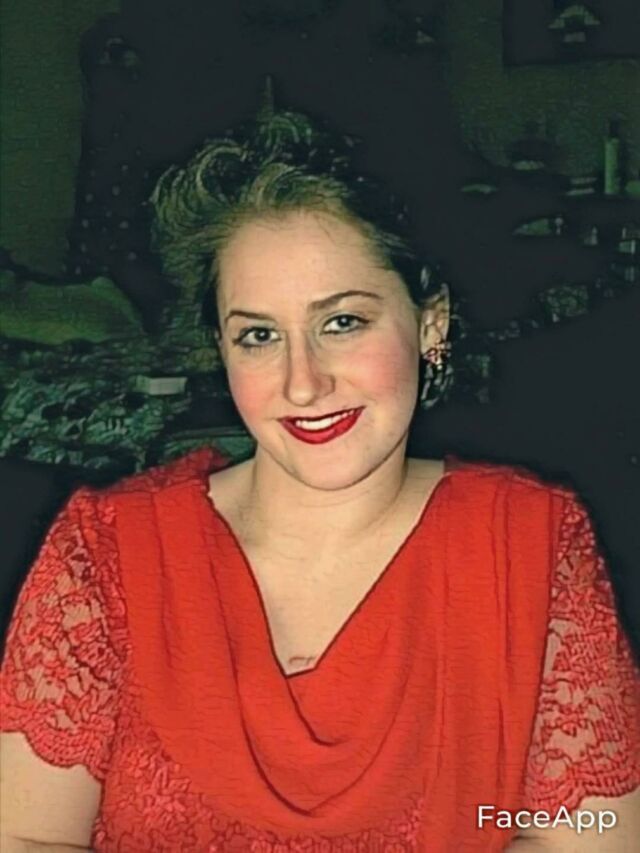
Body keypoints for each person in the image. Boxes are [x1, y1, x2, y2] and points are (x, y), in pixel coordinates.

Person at [1, 102, 639, 853]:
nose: (303, 383)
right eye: (259, 335)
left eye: (343, 322)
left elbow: (594, 835)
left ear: (429, 322)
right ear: (221, 349)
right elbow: (26, 837)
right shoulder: (107, 553)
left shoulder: (530, 545)